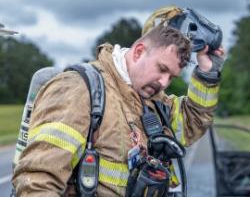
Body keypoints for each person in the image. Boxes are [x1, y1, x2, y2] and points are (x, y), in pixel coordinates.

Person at [12, 22, 224, 196]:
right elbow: (38, 182)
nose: (164, 83)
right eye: (162, 69)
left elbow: (191, 122)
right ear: (139, 52)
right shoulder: (79, 89)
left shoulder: (152, 102)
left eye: (171, 77)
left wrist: (207, 74)